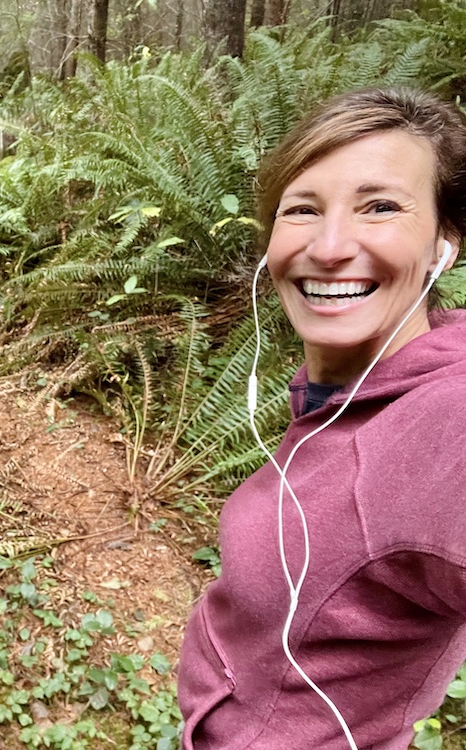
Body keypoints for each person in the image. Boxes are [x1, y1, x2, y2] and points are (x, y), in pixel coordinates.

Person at [177, 87, 466, 750]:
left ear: (442, 247)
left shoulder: (444, 420)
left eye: (381, 206)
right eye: (302, 209)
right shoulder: (345, 394)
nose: (330, 246)